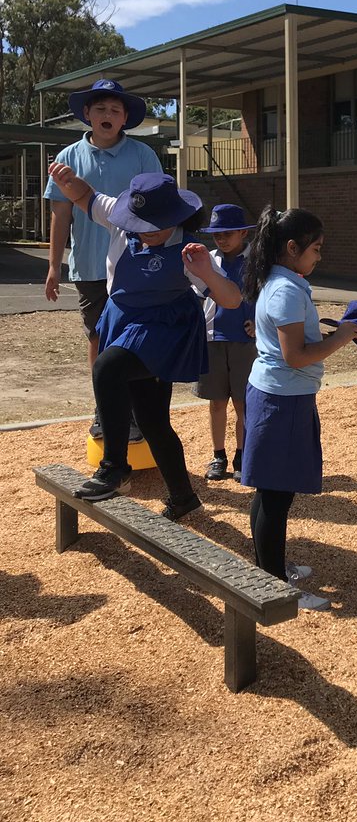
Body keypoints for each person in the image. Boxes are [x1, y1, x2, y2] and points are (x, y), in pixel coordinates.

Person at [45, 167, 243, 514]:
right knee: (152, 420)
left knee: (106, 368)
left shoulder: (189, 251)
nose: (145, 233)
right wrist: (66, 179)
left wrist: (208, 272)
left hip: (163, 328)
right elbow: (86, 197)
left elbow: (232, 300)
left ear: (175, 217)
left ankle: (114, 467)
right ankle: (184, 498)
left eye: (154, 227)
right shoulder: (121, 220)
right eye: (140, 225)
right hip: (122, 321)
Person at [240, 206, 357, 610]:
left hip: (277, 393)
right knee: (276, 497)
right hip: (283, 398)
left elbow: (290, 346)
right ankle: (274, 586)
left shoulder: (277, 282)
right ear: (291, 248)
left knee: (269, 491)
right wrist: (343, 336)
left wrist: (328, 336)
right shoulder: (287, 290)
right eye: (315, 249)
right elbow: (296, 356)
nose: (319, 256)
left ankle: (269, 567)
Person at [44, 79, 162, 440]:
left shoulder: (143, 155)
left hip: (138, 264)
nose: (107, 115)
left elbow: (160, 206)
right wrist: (52, 266)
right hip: (91, 266)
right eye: (100, 109)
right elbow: (60, 216)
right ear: (86, 115)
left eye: (115, 109)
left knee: (137, 337)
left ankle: (138, 412)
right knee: (98, 337)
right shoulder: (68, 158)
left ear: (125, 117)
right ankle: (104, 409)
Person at [192, 203, 257, 484]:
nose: (222, 239)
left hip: (244, 341)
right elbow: (197, 296)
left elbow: (264, 297)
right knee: (217, 402)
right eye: (217, 234)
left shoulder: (256, 262)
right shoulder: (210, 261)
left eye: (229, 232)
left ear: (243, 232)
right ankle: (218, 455)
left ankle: (243, 455)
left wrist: (258, 324)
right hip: (212, 339)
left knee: (243, 403)